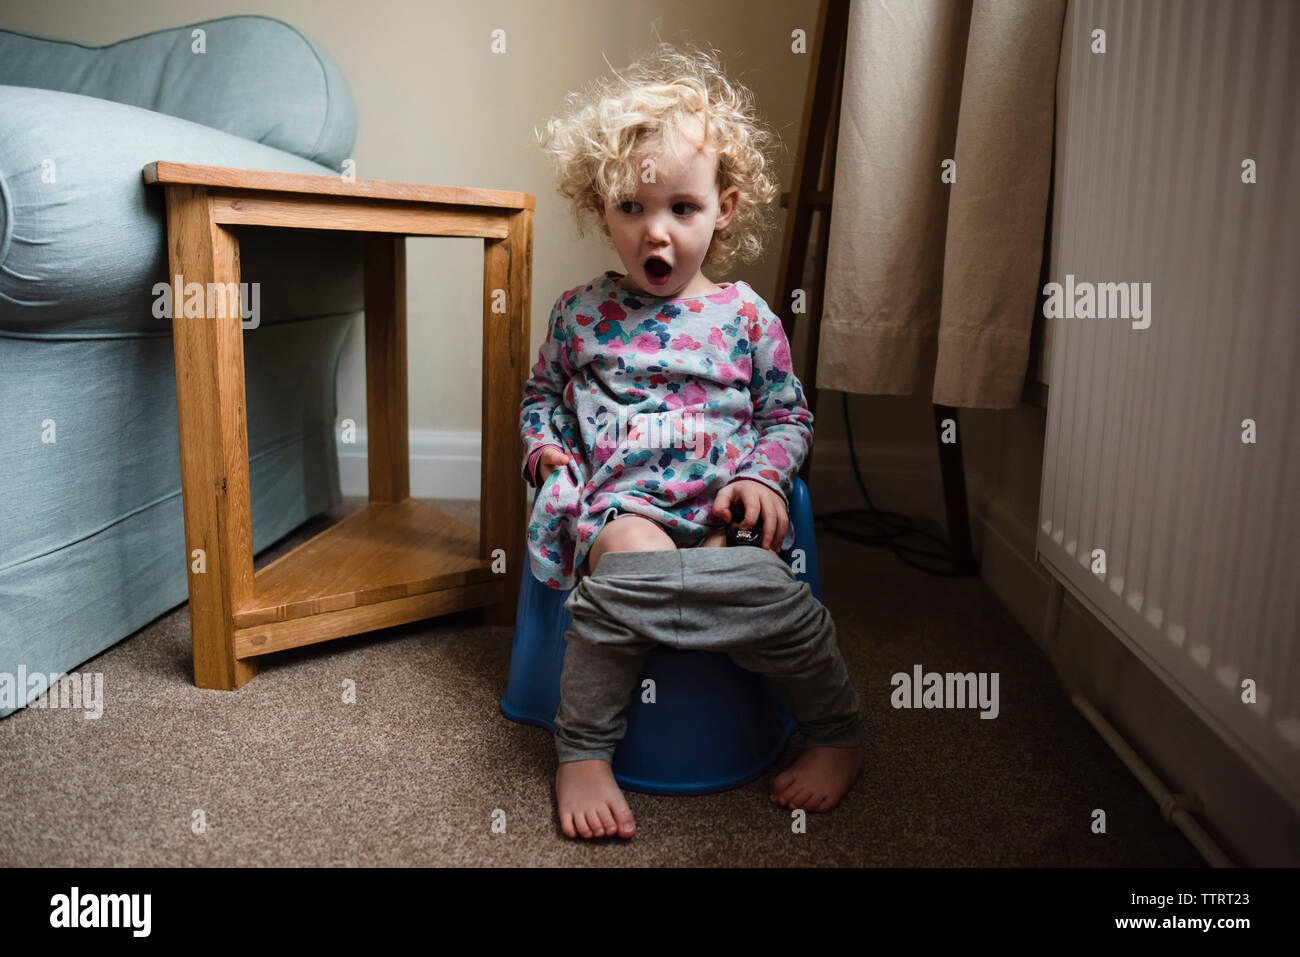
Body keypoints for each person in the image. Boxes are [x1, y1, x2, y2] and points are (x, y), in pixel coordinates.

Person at [521, 43, 863, 840]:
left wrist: (767, 482)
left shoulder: (747, 317)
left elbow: (787, 416)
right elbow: (543, 400)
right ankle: (585, 750)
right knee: (630, 565)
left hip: (724, 515)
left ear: (727, 207)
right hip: (627, 511)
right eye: (632, 209)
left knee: (770, 589)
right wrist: (546, 454)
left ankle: (836, 733)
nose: (657, 234)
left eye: (682, 207)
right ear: (602, 208)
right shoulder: (579, 313)